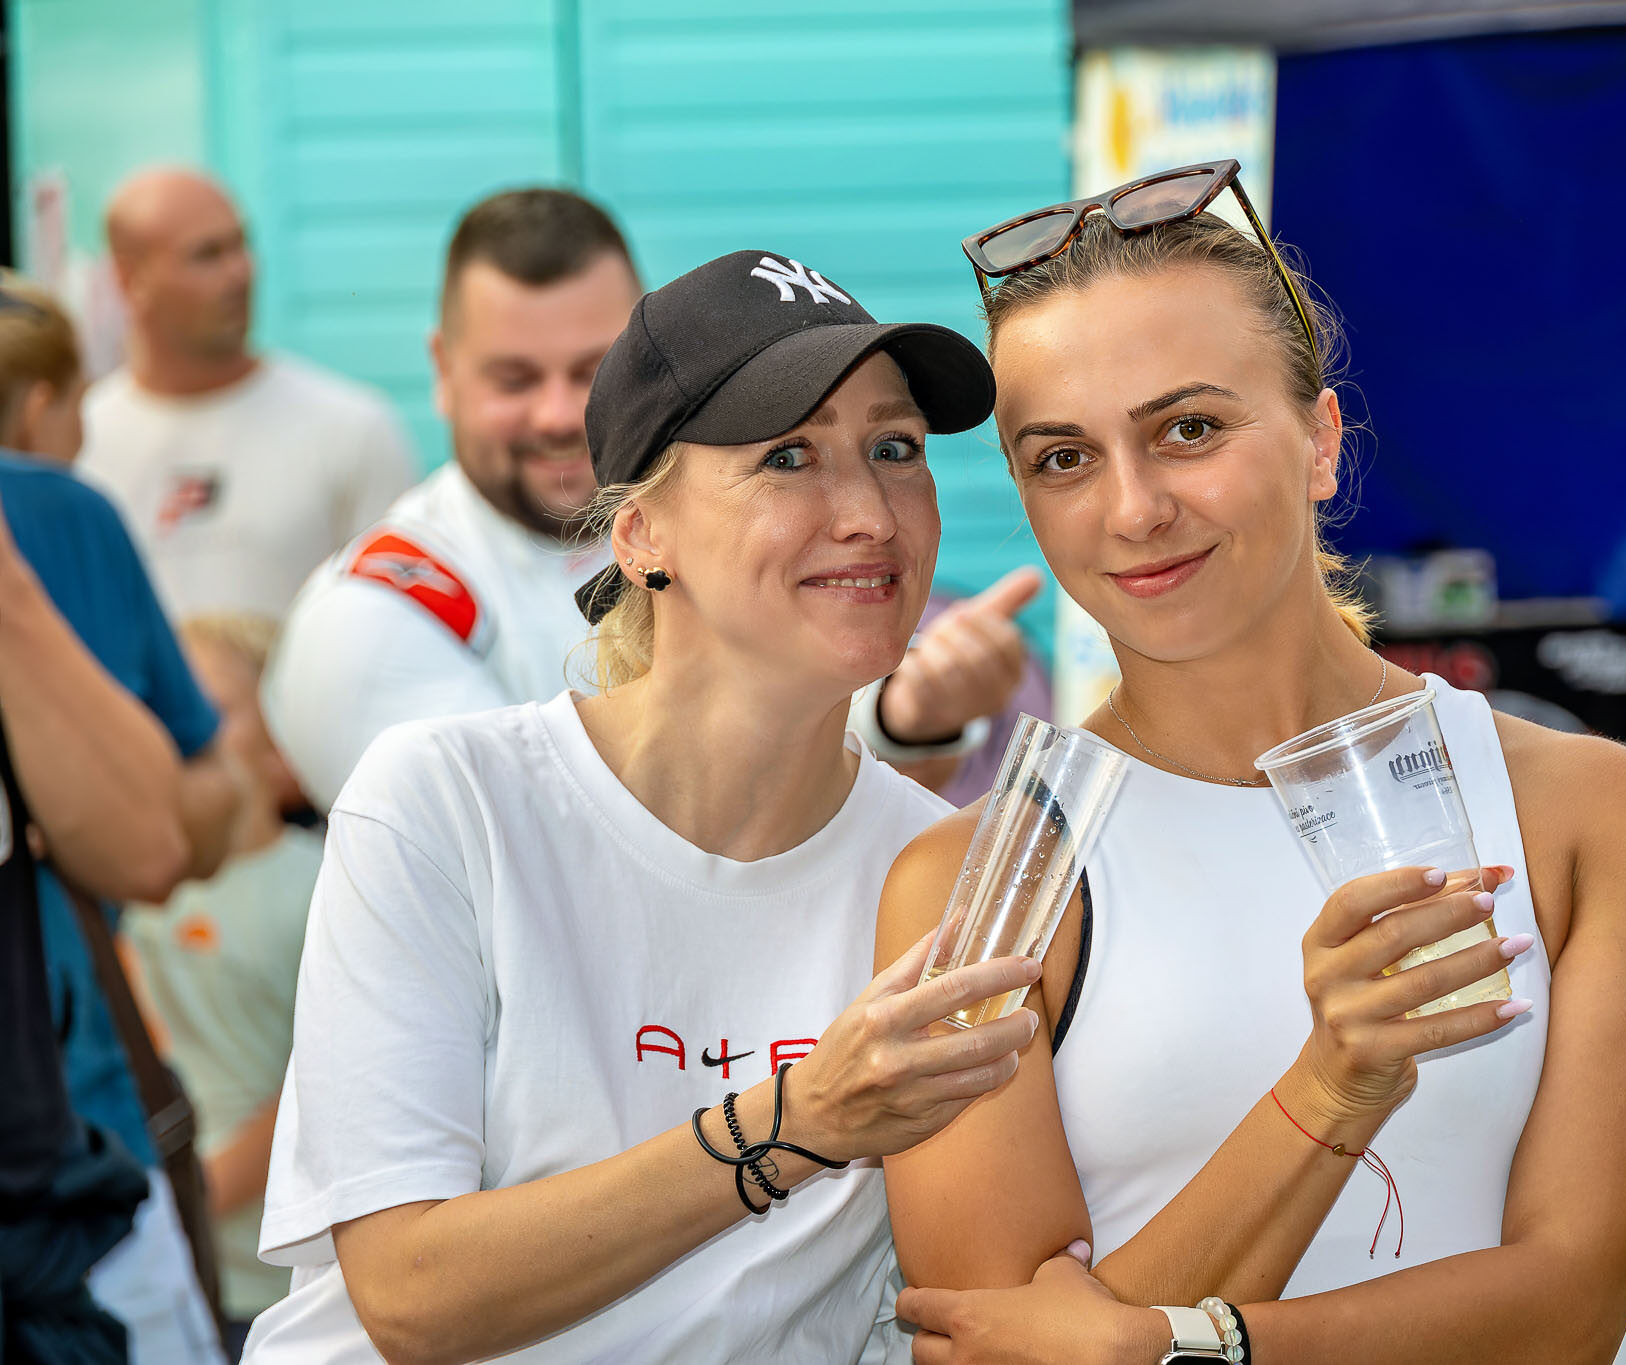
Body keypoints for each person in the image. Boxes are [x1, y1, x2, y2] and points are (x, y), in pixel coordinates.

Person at [879, 163, 1626, 1362]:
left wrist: (1176, 1343)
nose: (1133, 509)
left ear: (1319, 442)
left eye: (1188, 430)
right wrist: (1327, 1089)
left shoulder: (1585, 812)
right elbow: (999, 1350)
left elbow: (1571, 1312)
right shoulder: (977, 889)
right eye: (1062, 458)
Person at [243, 249, 1042, 1363]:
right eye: (788, 456)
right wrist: (797, 1122)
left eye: (894, 448)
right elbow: (410, 1295)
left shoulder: (944, 880)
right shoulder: (446, 804)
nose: (869, 512)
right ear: (639, 536)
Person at [264, 187, 1040, 813]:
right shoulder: (373, 616)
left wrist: (904, 718)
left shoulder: (740, 535)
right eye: (515, 379)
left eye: (594, 371)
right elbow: (558, 854)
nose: (561, 414)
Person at [1, 279, 237, 1364]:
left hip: (62, 1148)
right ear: (44, 401)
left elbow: (168, 830)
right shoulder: (63, 515)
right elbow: (187, 817)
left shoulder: (49, 523)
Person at [77, 166, 417, 619]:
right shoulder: (80, 441)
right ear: (127, 278)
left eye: (241, 245)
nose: (240, 272)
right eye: (207, 255)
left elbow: (397, 625)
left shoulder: (352, 427)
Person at [121, 613, 323, 1356]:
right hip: (172, 1264)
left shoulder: (320, 883)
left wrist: (197, 1195)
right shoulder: (138, 886)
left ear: (282, 735)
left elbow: (318, 1080)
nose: (181, 732)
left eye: (210, 709)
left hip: (275, 1279)